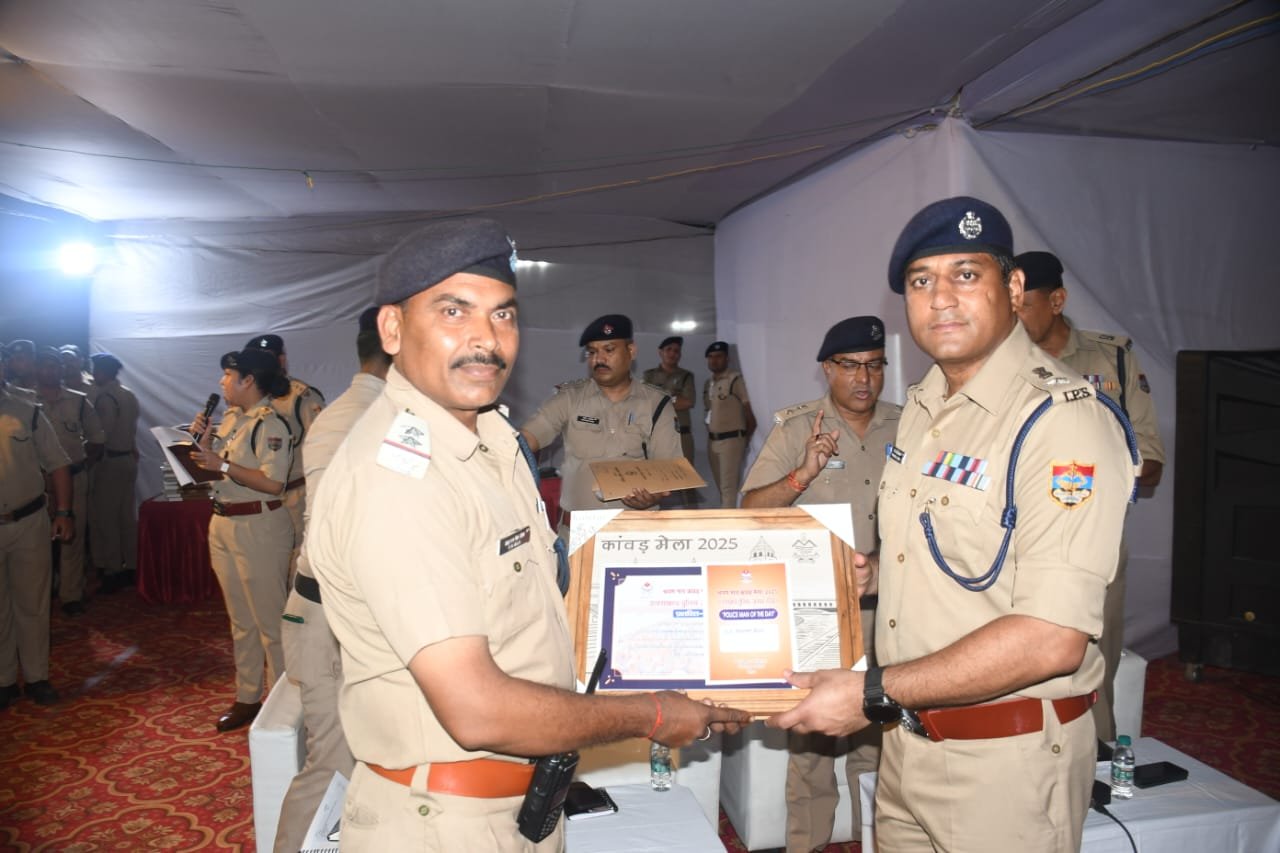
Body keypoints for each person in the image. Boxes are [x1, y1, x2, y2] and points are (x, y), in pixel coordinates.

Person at [308, 218, 749, 851]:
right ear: (392, 329)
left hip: (519, 805)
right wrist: (651, 713)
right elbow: (476, 708)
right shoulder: (402, 476)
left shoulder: (490, 443)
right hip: (445, 823)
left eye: (503, 315)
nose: (486, 340)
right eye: (454, 311)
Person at [768, 197, 1138, 851]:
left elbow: (1052, 639)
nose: (940, 298)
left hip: (1003, 765)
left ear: (1014, 288)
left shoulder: (1061, 421)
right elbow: (952, 554)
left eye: (965, 274)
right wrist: (874, 575)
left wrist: (871, 692)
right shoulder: (925, 405)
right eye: (921, 281)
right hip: (908, 750)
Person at [741, 315, 900, 851]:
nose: (864, 378)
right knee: (811, 751)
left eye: (874, 366)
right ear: (827, 369)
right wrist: (802, 474)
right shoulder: (796, 429)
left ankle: (874, 842)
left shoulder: (908, 427)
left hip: (890, 612)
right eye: (850, 366)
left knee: (877, 746)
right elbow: (750, 509)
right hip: (819, 616)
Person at [1015, 249, 1166, 742]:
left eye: (1025, 305)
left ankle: (1098, 755)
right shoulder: (1002, 363)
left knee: (1095, 654)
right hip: (1015, 538)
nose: (1014, 317)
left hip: (1093, 538)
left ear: (1057, 300)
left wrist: (1095, 466)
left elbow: (1151, 461)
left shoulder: (1111, 358)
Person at [273, 307, 390, 853]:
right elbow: (342, 541)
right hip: (334, 616)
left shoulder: (372, 411)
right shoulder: (358, 419)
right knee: (335, 761)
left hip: (344, 613)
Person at [189, 349, 294, 732]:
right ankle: (248, 697)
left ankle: (284, 708)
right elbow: (214, 473)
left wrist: (222, 464)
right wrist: (199, 447)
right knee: (241, 621)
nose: (222, 382)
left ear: (248, 380)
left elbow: (273, 483)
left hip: (259, 526)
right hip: (224, 522)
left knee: (270, 622)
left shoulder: (271, 424)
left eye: (228, 375)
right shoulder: (232, 419)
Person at [521, 314, 682, 532]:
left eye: (609, 350)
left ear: (631, 351)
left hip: (634, 531)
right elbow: (527, 439)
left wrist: (653, 495)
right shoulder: (569, 398)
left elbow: (669, 469)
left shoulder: (657, 404)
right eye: (592, 352)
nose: (599, 359)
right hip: (579, 532)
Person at [1, 346, 73, 709]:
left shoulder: (27, 410)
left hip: (28, 521)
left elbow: (58, 463)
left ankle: (36, 677)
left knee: (32, 603)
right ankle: (3, 681)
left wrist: (64, 512)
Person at [243, 334, 325, 582]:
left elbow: (321, 447)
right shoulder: (245, 399)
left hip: (293, 496)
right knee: (260, 571)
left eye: (270, 357)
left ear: (282, 360)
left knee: (293, 567)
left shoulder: (301, 397)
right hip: (256, 497)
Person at [34, 347, 104, 616]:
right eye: (44, 365)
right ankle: (41, 592)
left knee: (72, 538)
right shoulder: (26, 401)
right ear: (37, 369)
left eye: (54, 365)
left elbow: (97, 439)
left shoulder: (79, 401)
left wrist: (82, 466)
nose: (49, 370)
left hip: (74, 479)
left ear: (61, 369)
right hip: (37, 482)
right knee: (37, 539)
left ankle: (71, 594)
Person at [89, 352, 140, 594]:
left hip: (110, 462)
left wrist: (89, 459)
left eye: (96, 370)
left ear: (104, 372)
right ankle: (132, 565)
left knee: (107, 518)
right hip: (127, 458)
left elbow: (102, 435)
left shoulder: (105, 398)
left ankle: (113, 570)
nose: (94, 374)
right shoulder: (128, 394)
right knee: (126, 517)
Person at [642, 336, 697, 504]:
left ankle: (690, 515)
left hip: (681, 436)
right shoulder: (649, 375)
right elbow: (645, 402)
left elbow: (688, 402)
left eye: (676, 351)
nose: (673, 354)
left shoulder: (686, 376)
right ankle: (658, 514)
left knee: (686, 479)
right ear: (660, 352)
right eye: (669, 350)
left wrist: (660, 400)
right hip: (656, 436)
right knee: (656, 479)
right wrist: (673, 398)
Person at [703, 341, 756, 507]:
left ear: (727, 358)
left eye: (718, 356)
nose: (714, 360)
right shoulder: (709, 383)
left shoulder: (734, 379)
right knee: (722, 488)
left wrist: (744, 438)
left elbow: (749, 411)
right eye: (710, 357)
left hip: (731, 440)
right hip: (713, 441)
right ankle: (727, 517)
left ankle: (729, 522)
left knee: (728, 489)